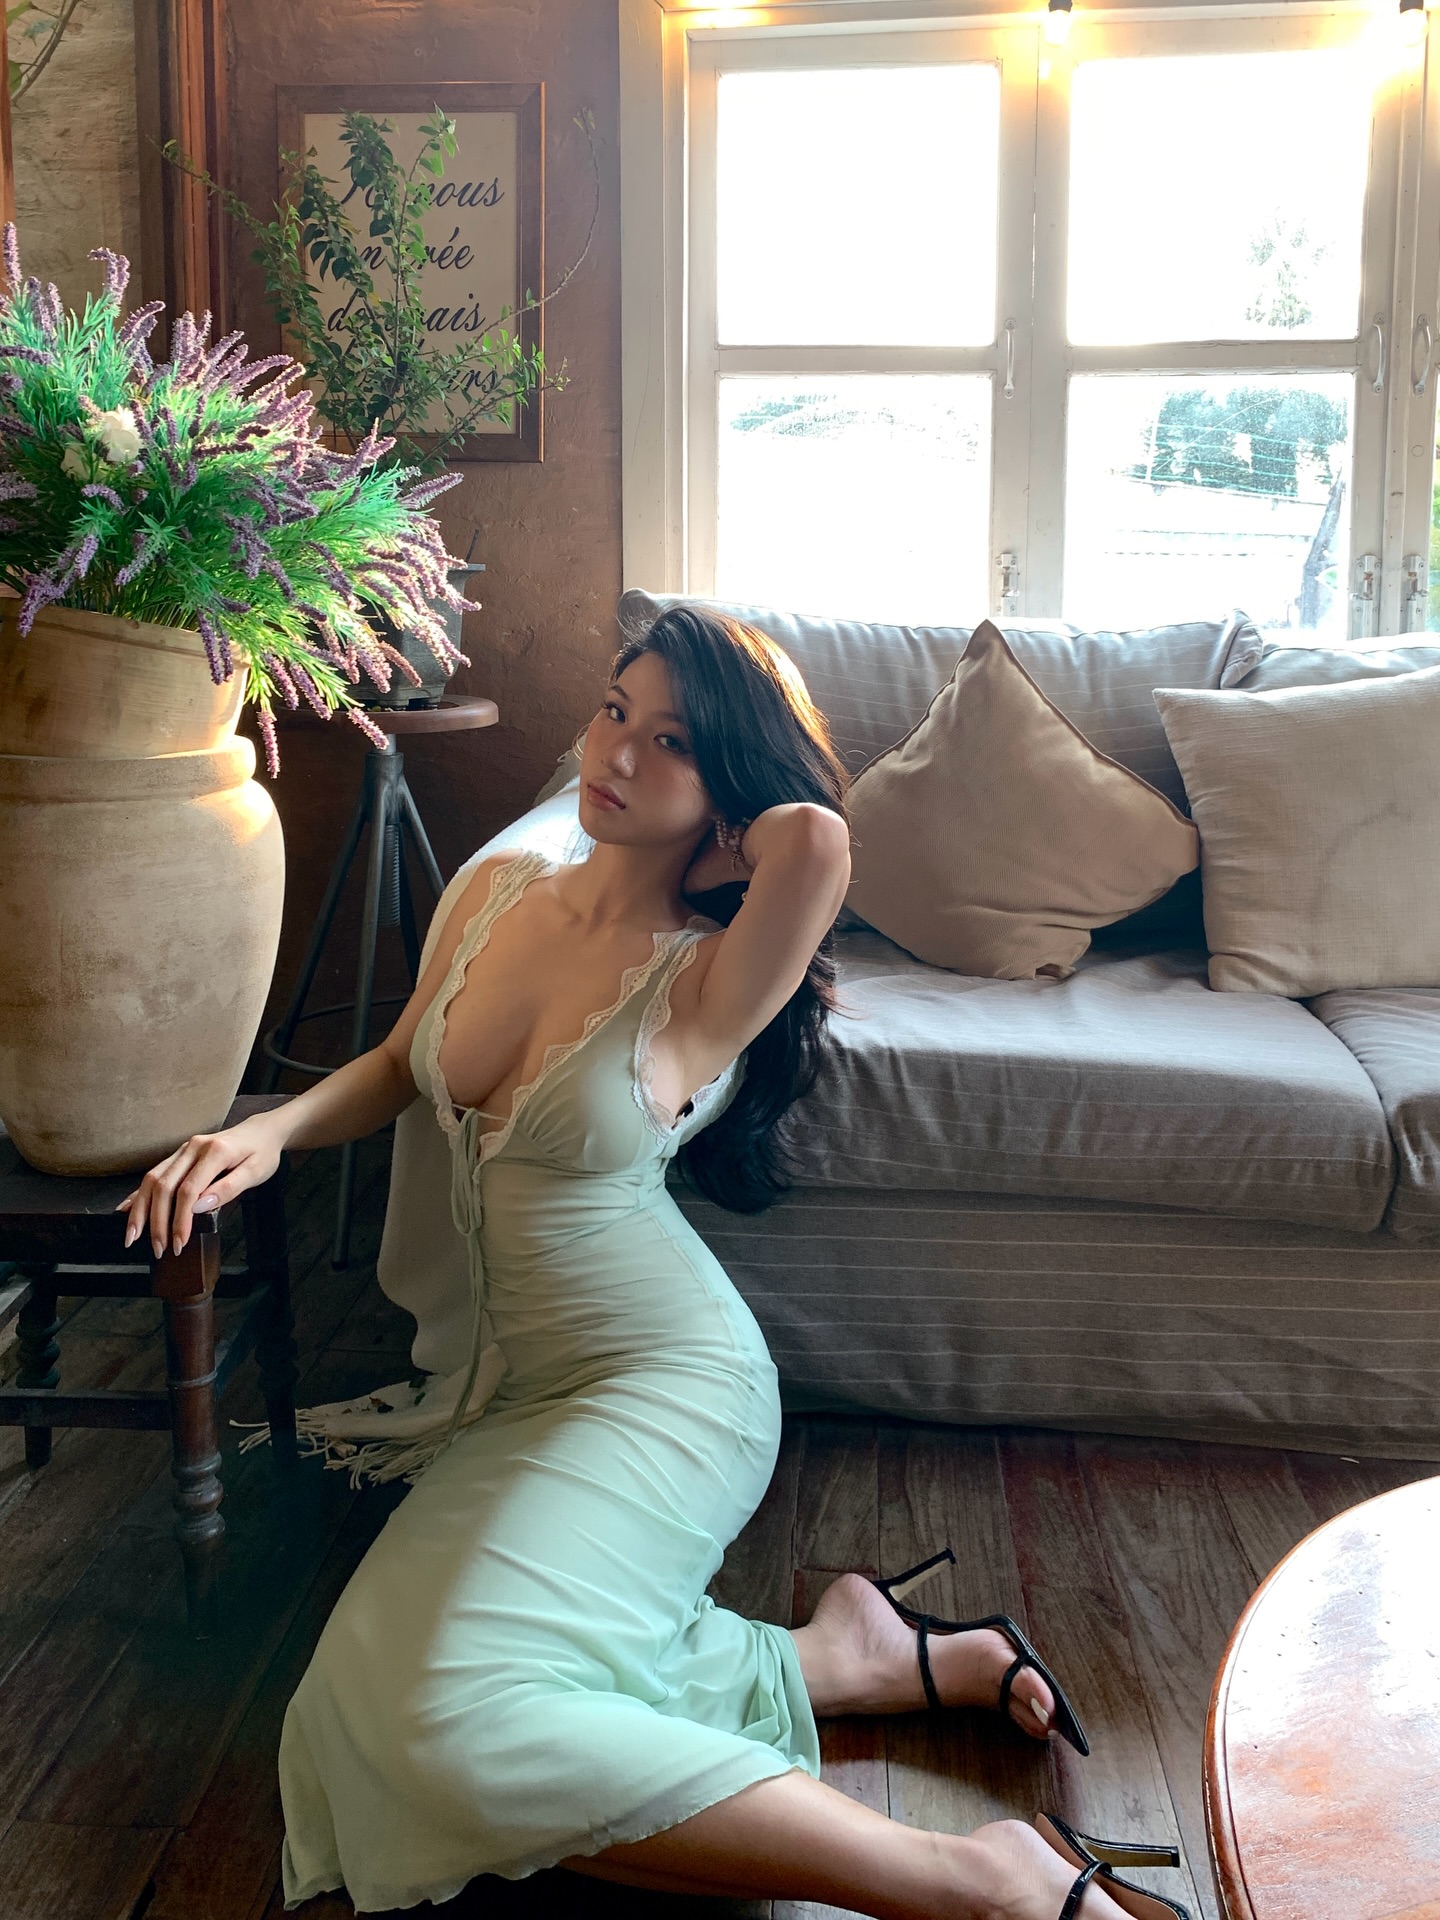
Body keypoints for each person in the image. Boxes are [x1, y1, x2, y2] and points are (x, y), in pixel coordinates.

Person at [119, 608, 1154, 1920]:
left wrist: (734, 818)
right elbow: (396, 1061)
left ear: (730, 791)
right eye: (615, 711)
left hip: (668, 1390)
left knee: (445, 1727)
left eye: (673, 741)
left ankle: (974, 1877)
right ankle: (841, 1656)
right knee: (350, 1707)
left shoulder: (709, 979)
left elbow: (817, 840)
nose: (615, 754)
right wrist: (263, 1134)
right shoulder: (499, 890)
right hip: (521, 1397)